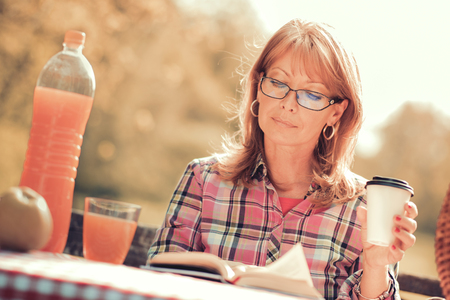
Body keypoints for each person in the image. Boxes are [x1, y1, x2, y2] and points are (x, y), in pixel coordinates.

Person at [147, 19, 418, 300]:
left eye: (311, 94)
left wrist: (376, 266)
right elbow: (154, 286)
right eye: (277, 83)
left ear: (335, 113)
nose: (288, 103)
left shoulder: (366, 210)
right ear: (258, 86)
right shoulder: (202, 179)